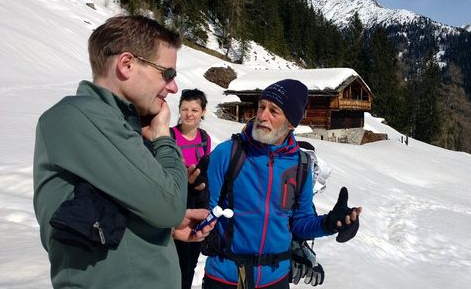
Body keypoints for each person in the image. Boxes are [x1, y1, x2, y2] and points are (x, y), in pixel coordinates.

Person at [33, 15, 214, 288]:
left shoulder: (122, 127)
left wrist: (165, 228)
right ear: (127, 64)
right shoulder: (80, 116)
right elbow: (170, 203)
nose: (173, 86)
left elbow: (108, 211)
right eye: (167, 74)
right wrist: (164, 136)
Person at [203, 79, 363, 289]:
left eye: (273, 111)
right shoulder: (228, 153)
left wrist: (330, 224)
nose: (262, 116)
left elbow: (300, 223)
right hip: (225, 276)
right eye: (261, 107)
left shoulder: (301, 165)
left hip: (275, 279)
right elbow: (203, 211)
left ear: (291, 123)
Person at [171, 88, 212, 289]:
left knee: (191, 260)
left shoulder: (205, 138)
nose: (189, 114)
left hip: (198, 203)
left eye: (194, 110)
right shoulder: (169, 135)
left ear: (203, 112)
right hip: (176, 202)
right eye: (185, 109)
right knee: (176, 260)